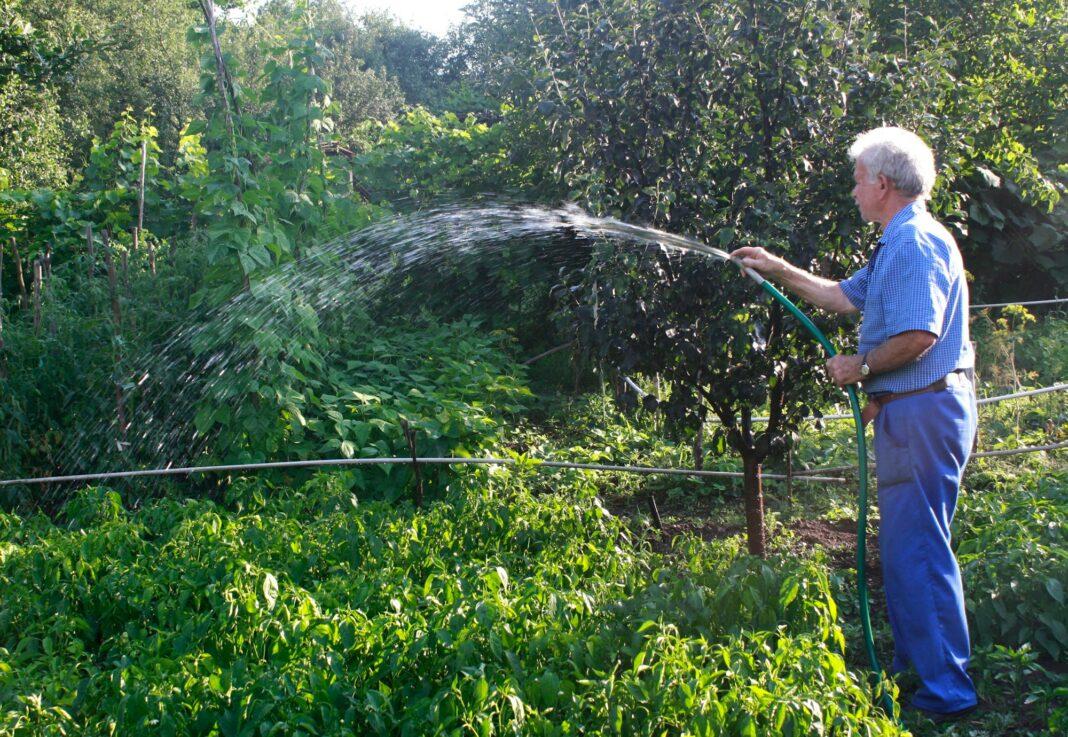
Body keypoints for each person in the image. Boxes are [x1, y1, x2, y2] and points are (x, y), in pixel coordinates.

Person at [731, 126, 979, 720]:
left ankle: (948, 693)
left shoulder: (916, 242)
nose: (853, 189)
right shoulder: (897, 242)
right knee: (905, 549)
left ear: (884, 184)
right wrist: (774, 268)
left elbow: (920, 335)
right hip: (911, 411)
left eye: (858, 178)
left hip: (926, 415)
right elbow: (841, 297)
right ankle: (921, 668)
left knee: (918, 551)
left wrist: (862, 365)